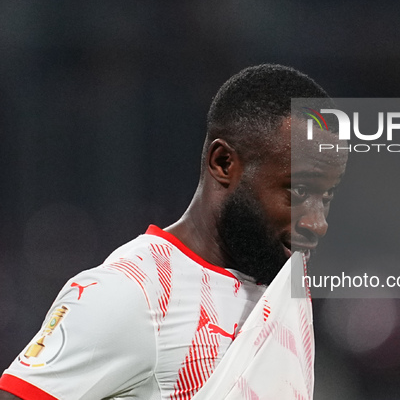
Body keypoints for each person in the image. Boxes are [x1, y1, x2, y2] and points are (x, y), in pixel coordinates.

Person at [0, 64, 347, 399]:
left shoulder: (283, 284)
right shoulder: (133, 295)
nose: (318, 223)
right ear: (223, 163)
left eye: (327, 195)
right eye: (297, 192)